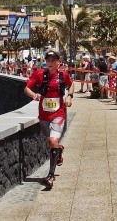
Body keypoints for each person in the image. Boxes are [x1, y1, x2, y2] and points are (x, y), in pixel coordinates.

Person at [24, 49, 74, 189]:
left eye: (53, 60)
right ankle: (59, 150)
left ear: (59, 62)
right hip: (44, 114)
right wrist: (34, 95)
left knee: (53, 140)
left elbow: (71, 85)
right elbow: (26, 88)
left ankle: (50, 175)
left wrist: (69, 97)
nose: (50, 63)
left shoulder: (63, 75)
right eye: (48, 60)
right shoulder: (40, 74)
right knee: (50, 140)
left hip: (58, 113)